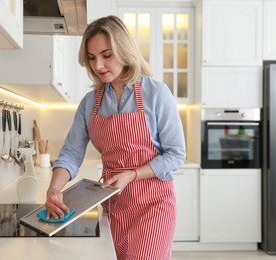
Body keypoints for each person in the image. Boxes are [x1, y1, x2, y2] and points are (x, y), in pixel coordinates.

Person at [45, 15, 186, 260]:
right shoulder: (91, 103)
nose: (98, 65)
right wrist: (54, 188)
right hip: (114, 204)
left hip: (154, 204)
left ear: (123, 50)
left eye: (106, 55)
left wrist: (132, 174)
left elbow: (176, 155)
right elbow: (71, 153)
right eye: (91, 58)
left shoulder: (156, 93)